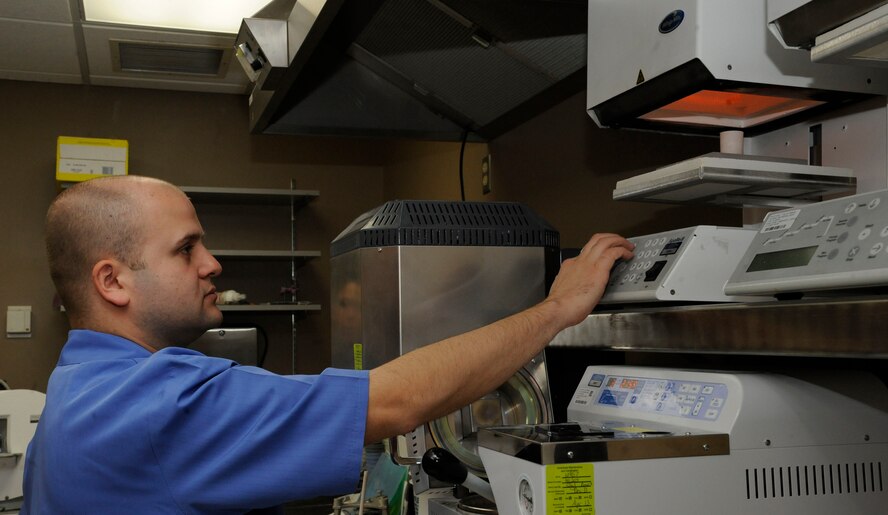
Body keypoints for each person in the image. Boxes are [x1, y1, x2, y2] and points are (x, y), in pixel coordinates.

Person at [23, 175, 634, 514]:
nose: (212, 264)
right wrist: (560, 308)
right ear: (113, 280)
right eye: (186, 249)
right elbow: (397, 402)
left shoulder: (76, 383)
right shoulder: (161, 400)